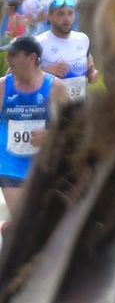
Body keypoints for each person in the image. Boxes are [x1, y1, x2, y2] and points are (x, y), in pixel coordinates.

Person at [1, 35, 64, 219]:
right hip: (9, 164)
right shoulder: (3, 87)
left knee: (43, 221)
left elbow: (71, 128)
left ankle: (11, 232)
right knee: (23, 218)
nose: (8, 59)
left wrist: (51, 134)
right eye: (8, 55)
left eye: (14, 55)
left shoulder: (55, 88)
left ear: (32, 58)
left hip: (44, 165)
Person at [36, 0, 97, 104]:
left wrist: (93, 74)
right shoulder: (38, 42)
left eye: (70, 13)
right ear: (49, 16)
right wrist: (46, 72)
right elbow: (15, 75)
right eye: (60, 14)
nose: (66, 18)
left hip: (78, 108)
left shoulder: (82, 39)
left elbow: (90, 69)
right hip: (49, 110)